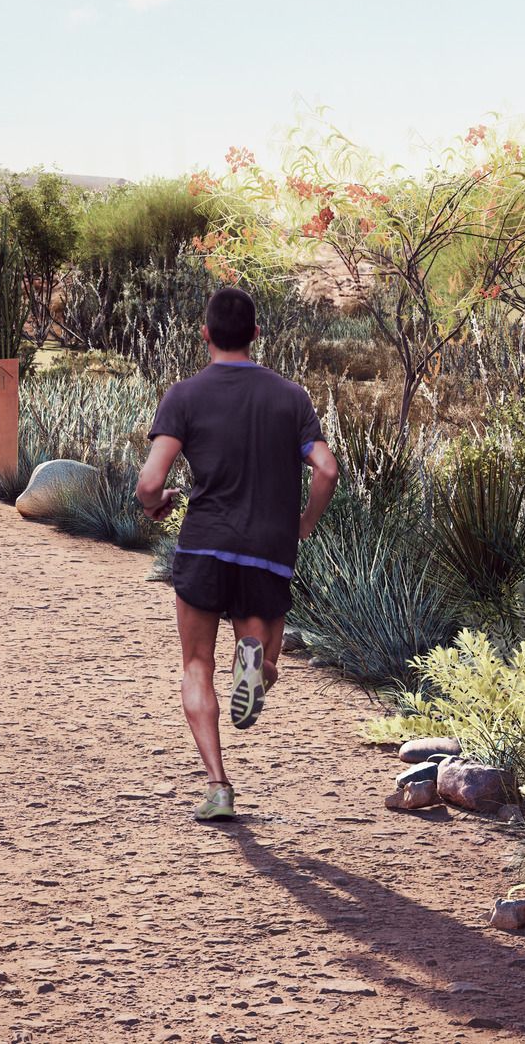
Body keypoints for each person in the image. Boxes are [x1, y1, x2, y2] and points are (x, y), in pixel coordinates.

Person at [134, 284, 339, 822]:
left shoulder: (184, 395)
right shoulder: (290, 396)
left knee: (195, 663)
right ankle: (259, 665)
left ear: (205, 334)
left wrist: (159, 504)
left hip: (206, 541)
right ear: (255, 333)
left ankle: (219, 786)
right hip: (268, 547)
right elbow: (327, 468)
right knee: (260, 653)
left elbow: (149, 482)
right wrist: (304, 524)